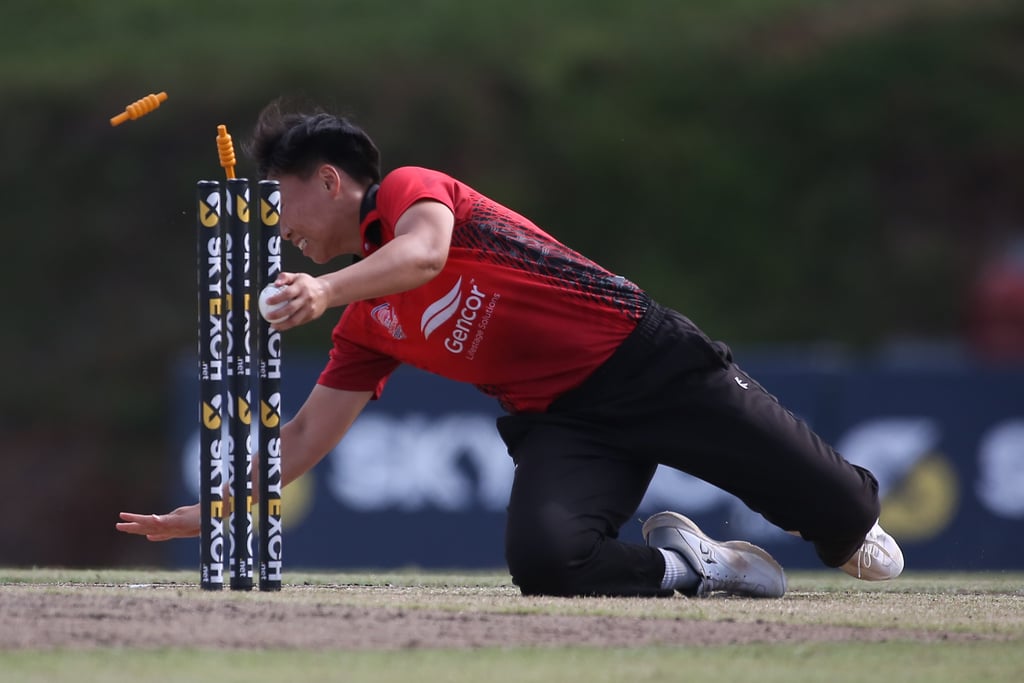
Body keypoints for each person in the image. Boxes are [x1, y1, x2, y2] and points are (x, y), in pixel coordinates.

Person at [117, 100, 904, 598]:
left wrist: (323, 291)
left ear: (328, 181)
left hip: (647, 360)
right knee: (547, 565)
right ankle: (698, 568)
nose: (275, 223)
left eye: (280, 198)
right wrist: (216, 511)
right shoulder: (364, 322)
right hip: (567, 421)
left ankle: (838, 513)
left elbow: (424, 257)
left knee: (854, 528)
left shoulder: (409, 191)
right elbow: (305, 437)